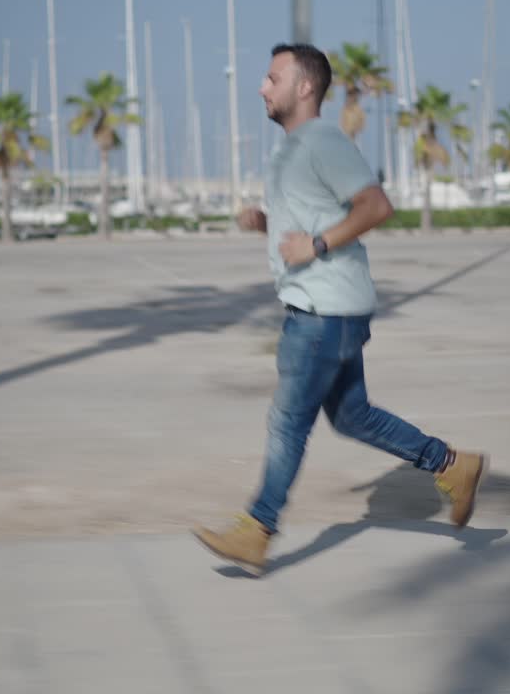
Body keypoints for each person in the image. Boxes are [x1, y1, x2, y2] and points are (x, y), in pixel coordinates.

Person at [192, 43, 487, 577]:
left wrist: (318, 246)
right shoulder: (296, 148)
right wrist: (268, 221)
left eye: (272, 77)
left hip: (321, 312)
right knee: (352, 416)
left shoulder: (323, 141)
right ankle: (452, 466)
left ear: (304, 87)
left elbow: (376, 206)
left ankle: (257, 529)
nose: (262, 87)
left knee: (288, 422)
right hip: (333, 308)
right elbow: (314, 213)